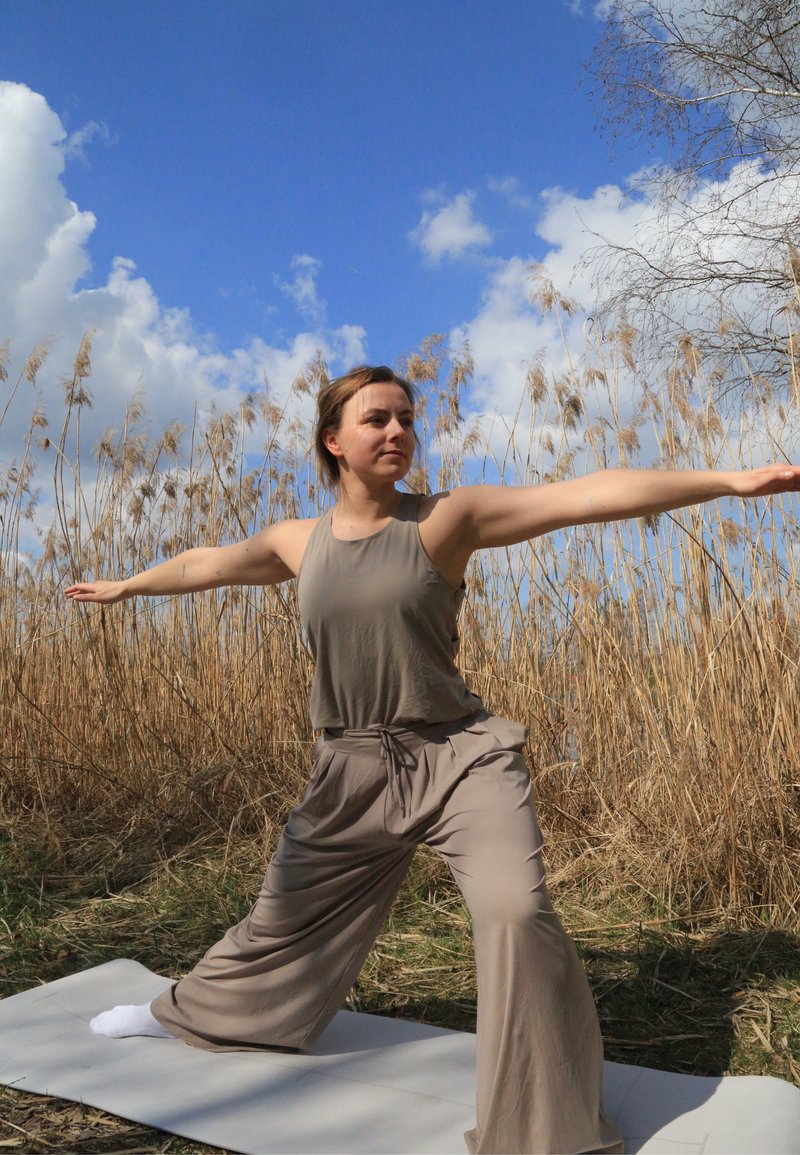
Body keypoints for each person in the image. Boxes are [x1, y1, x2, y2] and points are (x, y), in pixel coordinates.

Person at [65, 364, 800, 1155]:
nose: (398, 432)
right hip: (350, 766)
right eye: (377, 419)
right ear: (333, 440)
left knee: (516, 912)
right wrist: (129, 586)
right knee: (280, 919)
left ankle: (545, 1135)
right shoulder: (297, 540)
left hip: (457, 759)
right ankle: (187, 1013)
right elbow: (209, 563)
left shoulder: (447, 519)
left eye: (407, 419)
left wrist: (728, 481)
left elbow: (586, 494)